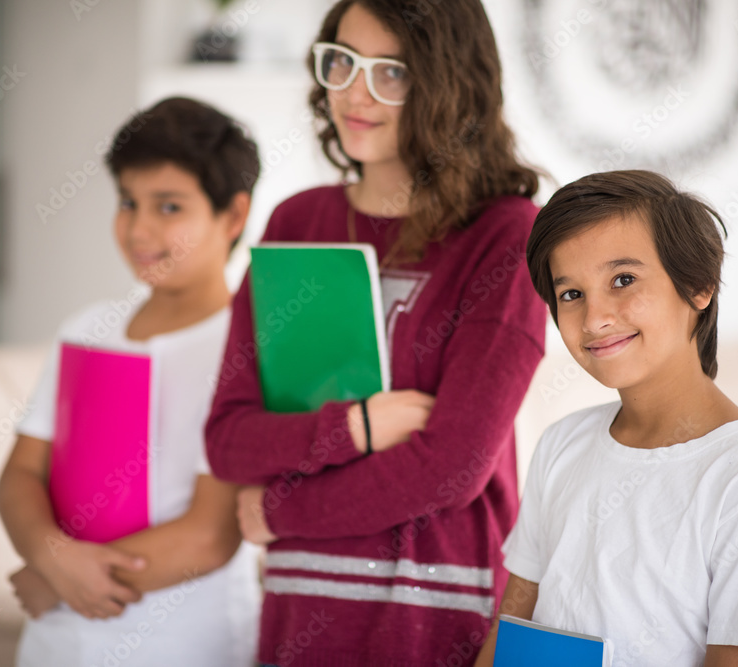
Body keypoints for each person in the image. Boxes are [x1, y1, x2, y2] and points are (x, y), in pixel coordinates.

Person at [204, 1, 547, 664]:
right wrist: (356, 426)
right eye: (343, 63)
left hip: (437, 609)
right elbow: (229, 441)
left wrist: (281, 512)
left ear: (449, 85)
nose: (356, 94)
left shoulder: (507, 236)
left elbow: (452, 470)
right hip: (301, 604)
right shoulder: (296, 223)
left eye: (392, 72)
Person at [474, 170, 738, 666]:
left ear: (698, 285)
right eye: (571, 295)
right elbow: (514, 624)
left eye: (623, 280)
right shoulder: (560, 445)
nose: (594, 319)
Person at [0, 97, 262, 667]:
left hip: (186, 639)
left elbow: (209, 535)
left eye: (169, 207)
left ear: (234, 217)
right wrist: (53, 559)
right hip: (57, 640)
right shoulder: (87, 329)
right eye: (127, 202)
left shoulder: (246, 346)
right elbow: (21, 473)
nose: (139, 228)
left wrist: (61, 577)